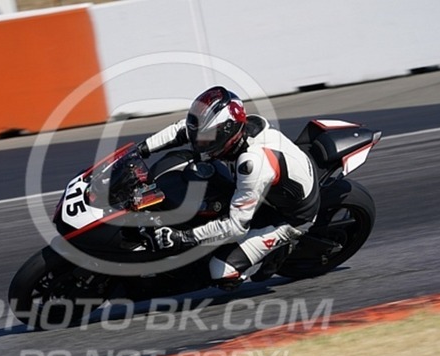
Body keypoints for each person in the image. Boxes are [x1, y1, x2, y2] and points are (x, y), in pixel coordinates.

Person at [137, 86, 320, 289]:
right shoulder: (234, 127)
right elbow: (181, 130)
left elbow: (236, 227)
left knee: (221, 271)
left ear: (228, 131)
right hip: (268, 186)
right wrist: (140, 150)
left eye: (207, 137)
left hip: (290, 216)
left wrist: (183, 237)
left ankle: (278, 249)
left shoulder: (252, 163)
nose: (200, 142)